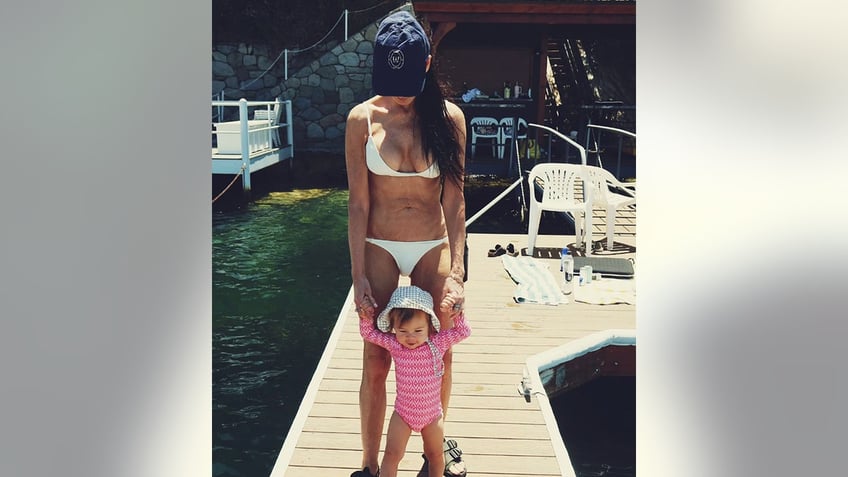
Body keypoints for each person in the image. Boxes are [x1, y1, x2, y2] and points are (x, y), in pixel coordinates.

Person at [345, 9, 468, 477]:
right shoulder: (362, 119)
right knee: (376, 356)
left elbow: (456, 199)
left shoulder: (450, 119)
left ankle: (432, 453)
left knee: (441, 348)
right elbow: (358, 204)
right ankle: (369, 465)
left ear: (427, 63)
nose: (398, 92)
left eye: (407, 79)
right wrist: (358, 276)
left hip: (431, 243)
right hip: (379, 242)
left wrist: (456, 272)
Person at [358, 286, 471, 477]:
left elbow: (463, 331)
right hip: (403, 413)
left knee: (436, 456)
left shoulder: (438, 342)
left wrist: (457, 313)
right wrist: (365, 318)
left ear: (430, 326)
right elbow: (369, 334)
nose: (411, 337)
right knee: (392, 455)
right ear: (394, 328)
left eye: (418, 330)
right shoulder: (395, 344)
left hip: (432, 415)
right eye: (403, 330)